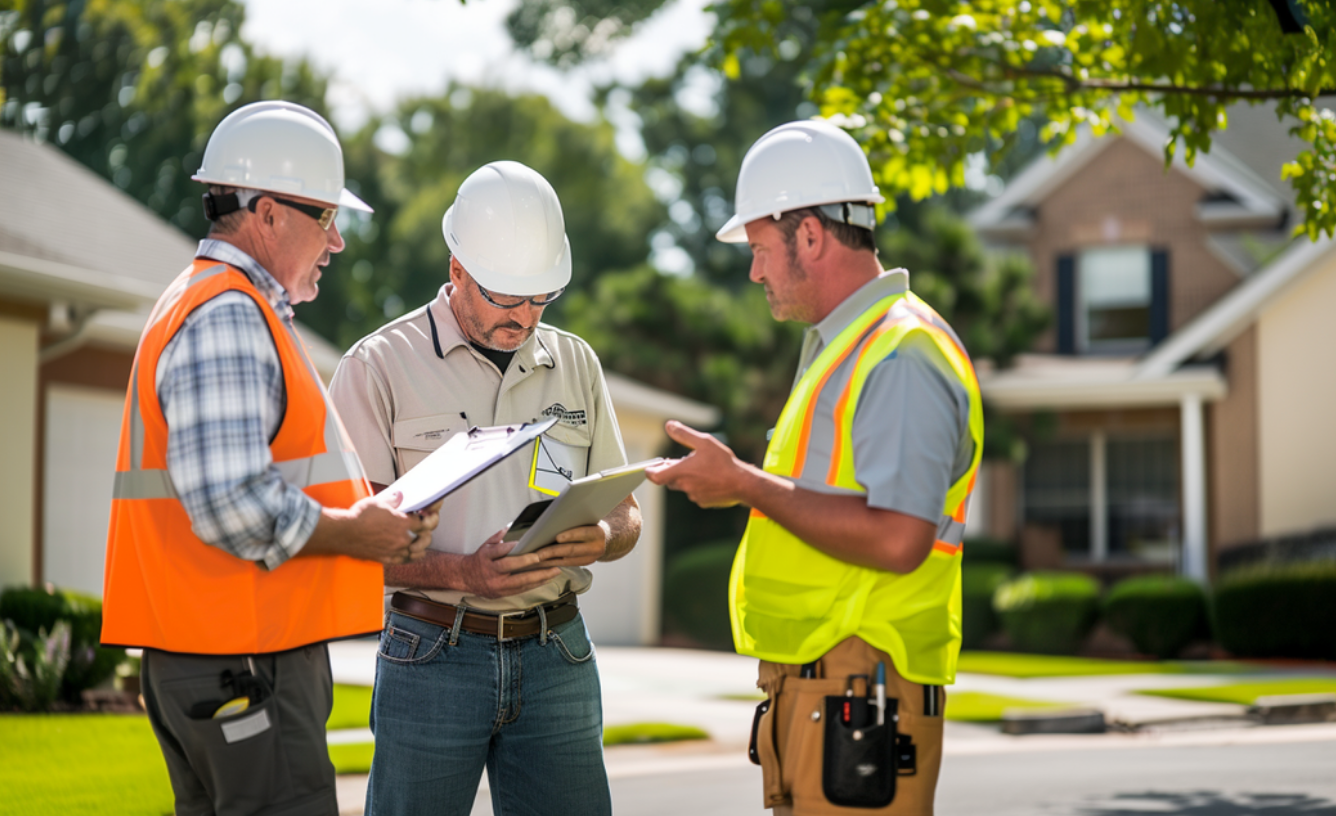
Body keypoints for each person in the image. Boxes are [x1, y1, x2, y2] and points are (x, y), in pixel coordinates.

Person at [100, 100, 439, 816]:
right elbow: (232, 502)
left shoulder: (208, 303)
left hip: (216, 655)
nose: (338, 241)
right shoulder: (226, 313)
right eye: (326, 217)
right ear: (268, 213)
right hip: (243, 659)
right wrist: (360, 530)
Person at [647, 120, 983, 816]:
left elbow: (898, 538)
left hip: (860, 691)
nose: (755, 270)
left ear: (810, 236)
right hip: (833, 693)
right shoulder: (850, 345)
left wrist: (742, 483)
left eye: (761, 248)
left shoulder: (901, 356)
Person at [329, 159, 642, 816]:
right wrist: (465, 573)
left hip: (559, 651)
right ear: (457, 270)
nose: (524, 317)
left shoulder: (576, 361)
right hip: (432, 654)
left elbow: (627, 514)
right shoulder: (378, 365)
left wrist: (603, 535)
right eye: (505, 297)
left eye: (540, 299)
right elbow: (352, 544)